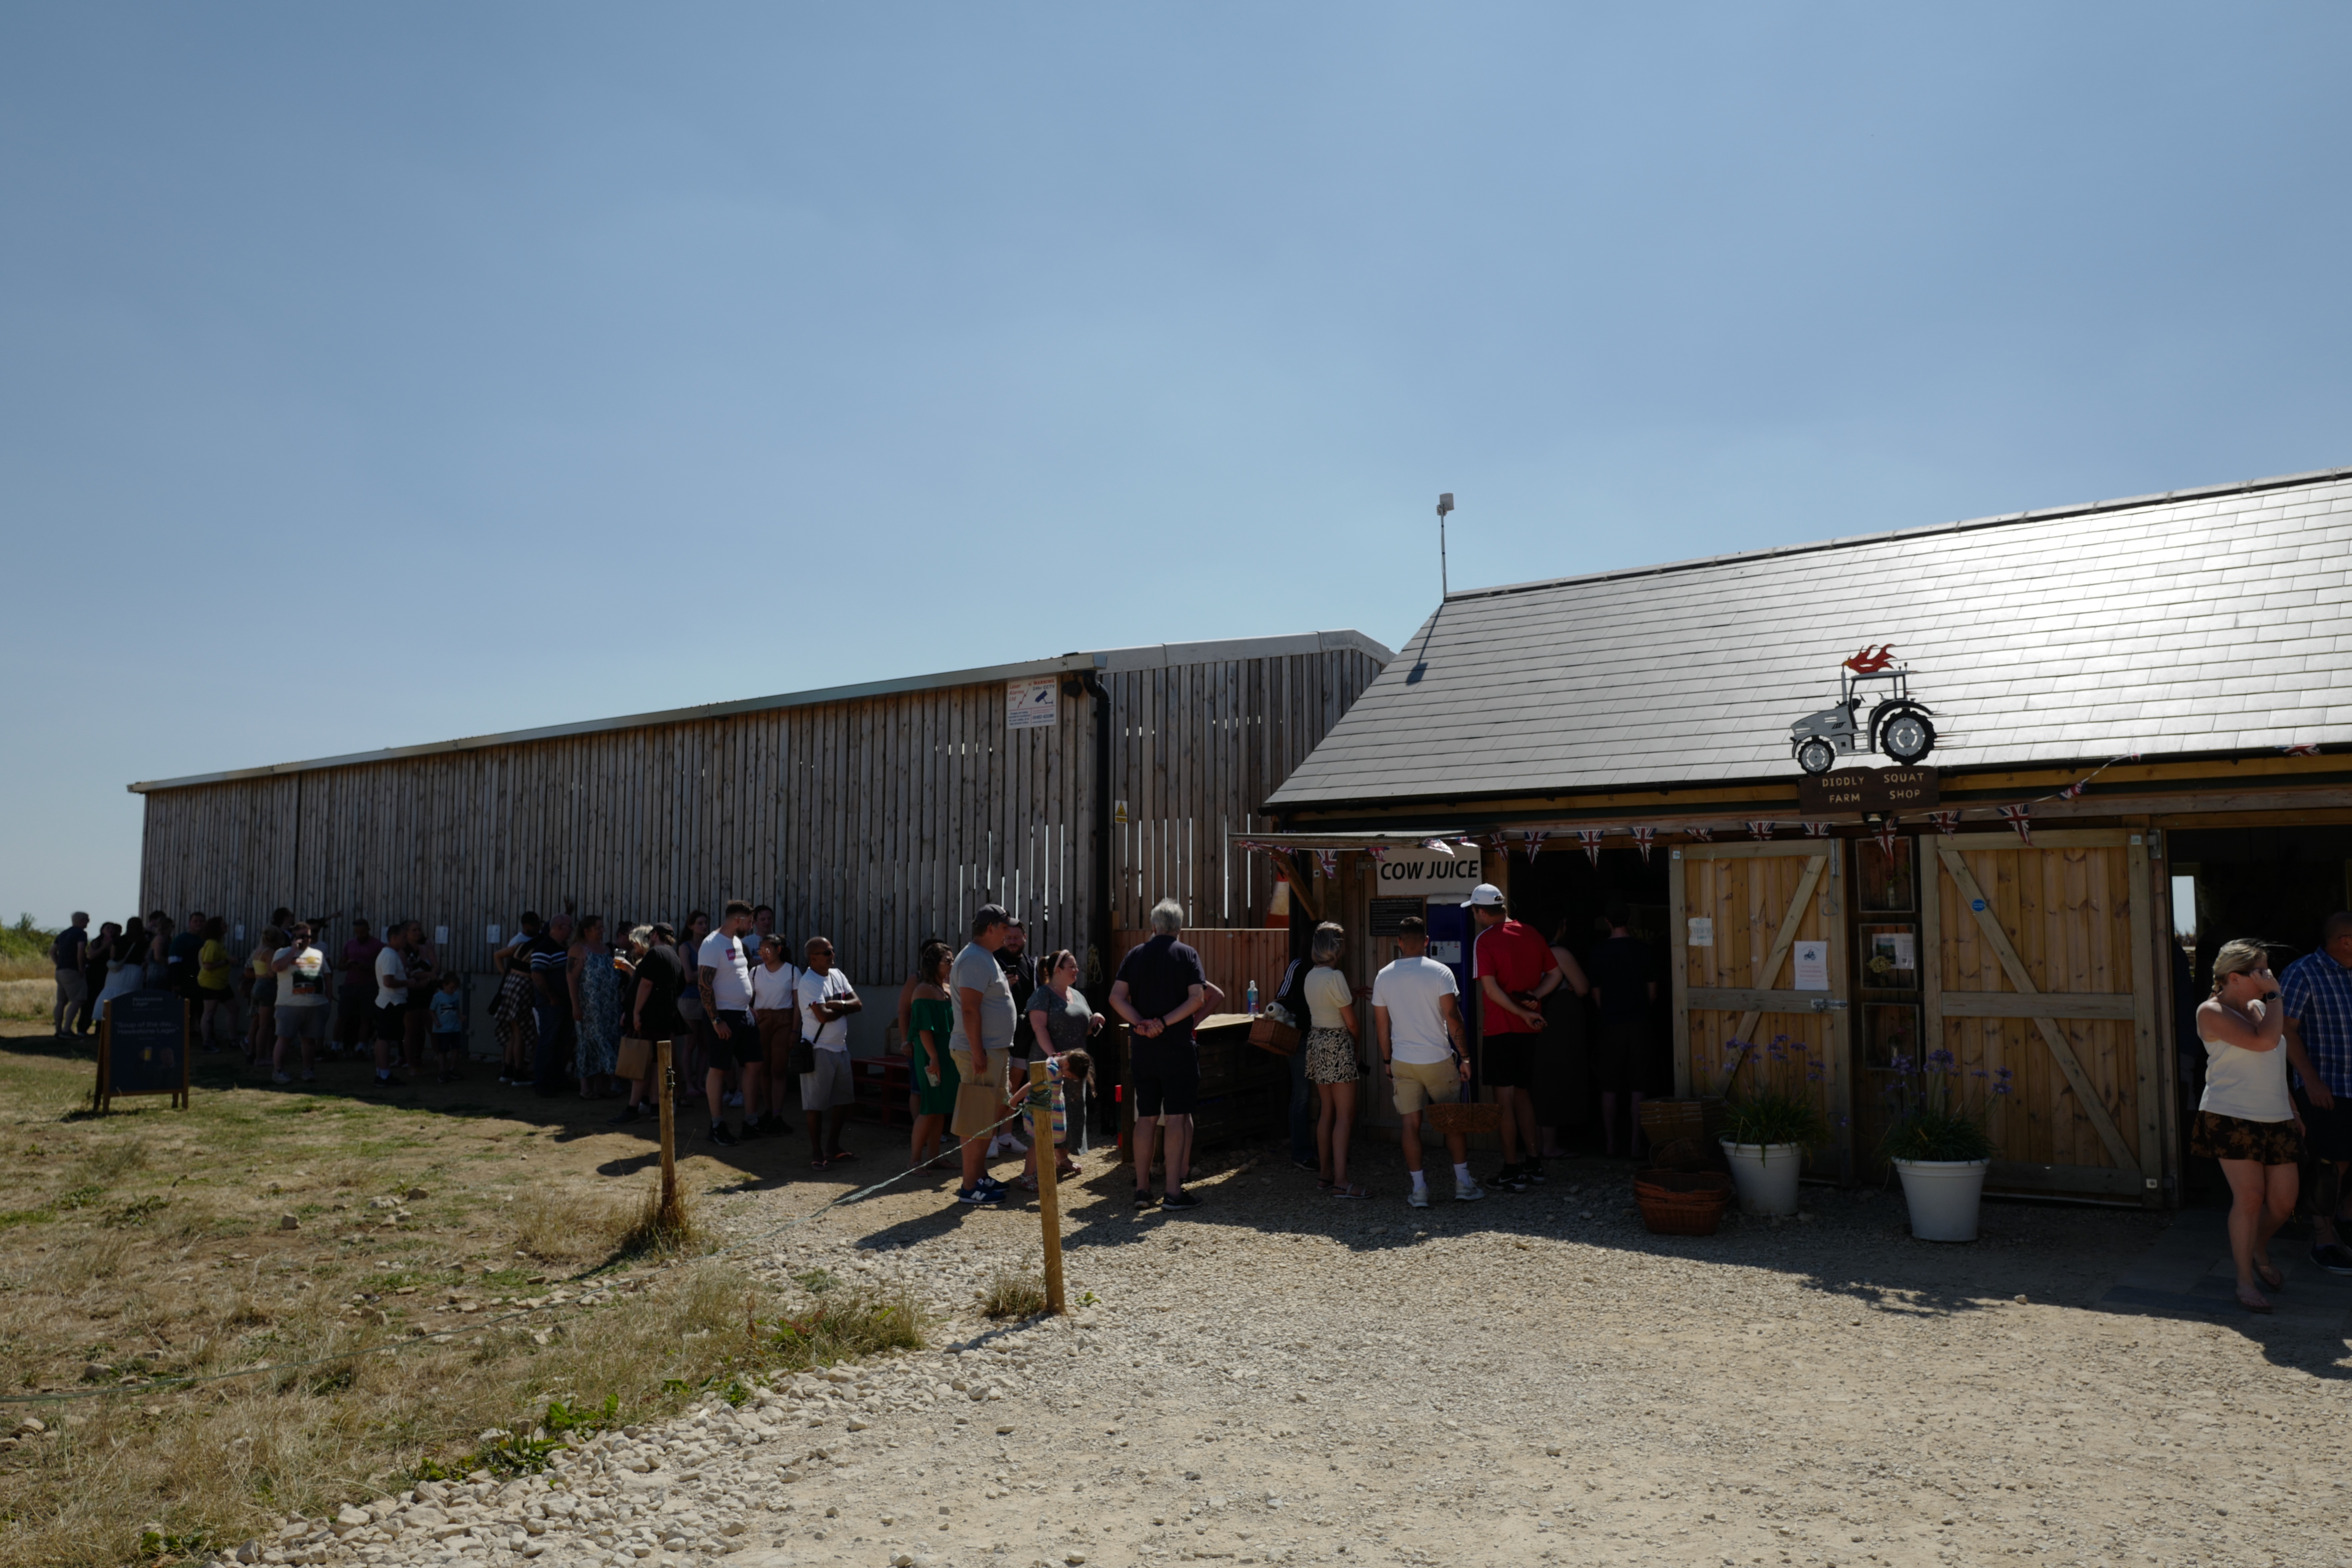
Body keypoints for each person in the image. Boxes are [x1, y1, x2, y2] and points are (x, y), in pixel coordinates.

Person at [2194, 938, 2305, 1314]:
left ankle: (2257, 1246)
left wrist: (2292, 1106)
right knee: (2251, 1197)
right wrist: (2276, 997)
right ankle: (2245, 1280)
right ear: (2235, 977)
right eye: (2261, 971)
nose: (2269, 976)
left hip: (2276, 1116)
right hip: (2231, 1116)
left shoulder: (2261, 1006)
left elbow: (2275, 1060)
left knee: (2285, 1201)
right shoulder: (2211, 1012)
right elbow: (2265, 1043)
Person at [1373, 915, 1482, 1206]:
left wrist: (1387, 1060)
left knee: (1410, 1125)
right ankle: (1463, 1184)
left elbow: (1382, 1027)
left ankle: (1420, 1190)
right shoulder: (1440, 972)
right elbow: (1453, 1017)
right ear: (1426, 941)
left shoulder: (1384, 976)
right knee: (1451, 1123)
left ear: (1398, 943)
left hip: (1403, 1061)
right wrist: (1466, 1057)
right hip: (1437, 1059)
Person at [1111, 898, 1209, 1210]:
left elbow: (1116, 997)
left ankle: (1142, 1190)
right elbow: (1197, 999)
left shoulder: (1135, 955)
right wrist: (1164, 1023)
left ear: (1153, 926)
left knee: (1146, 1118)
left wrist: (1141, 1023)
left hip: (1143, 1048)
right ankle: (1173, 1193)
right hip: (1177, 1047)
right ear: (1180, 928)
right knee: (1178, 1118)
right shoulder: (1187, 955)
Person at [1465, 884, 1564, 1190]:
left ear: (1482, 912)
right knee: (1523, 1093)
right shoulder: (1532, 933)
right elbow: (1556, 975)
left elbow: (1491, 990)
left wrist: (1522, 1012)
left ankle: (1511, 1169)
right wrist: (1534, 999)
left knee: (1504, 1098)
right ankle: (1533, 1163)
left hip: (1501, 1028)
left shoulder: (1485, 940)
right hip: (1528, 1030)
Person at [2283, 911, 2352, 1275]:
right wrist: (2310, 1080)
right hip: (2327, 1086)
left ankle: (2345, 1218)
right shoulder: (2303, 972)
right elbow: (2286, 1029)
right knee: (2330, 1165)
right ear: (2346, 941)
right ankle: (2324, 1241)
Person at [947, 907, 1018, 1205]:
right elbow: (970, 1010)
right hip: (981, 1052)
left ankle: (978, 1176)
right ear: (991, 928)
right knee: (977, 1118)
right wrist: (978, 1052)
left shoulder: (983, 956)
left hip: (990, 1050)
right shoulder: (976, 958)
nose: (1009, 934)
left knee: (989, 1115)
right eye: (1005, 928)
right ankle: (969, 1186)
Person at [1022, 947, 1102, 1186]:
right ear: (1057, 970)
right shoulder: (1042, 994)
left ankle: (1062, 1157)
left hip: (1074, 1064)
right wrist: (1054, 1058)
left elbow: (1083, 1028)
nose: (1077, 970)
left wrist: (1095, 1020)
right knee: (1046, 1114)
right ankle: (1035, 1169)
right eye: (1072, 967)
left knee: (1072, 1111)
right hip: (1052, 1063)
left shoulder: (1078, 995)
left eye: (1077, 966)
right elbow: (1039, 1028)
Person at [1586, 904, 1659, 1161]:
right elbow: (1653, 993)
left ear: (1606, 921)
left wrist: (1609, 1012)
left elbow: (1596, 994)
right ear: (1630, 919)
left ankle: (1610, 1144)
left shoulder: (1597, 952)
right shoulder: (1644, 951)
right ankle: (1636, 1145)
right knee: (1639, 1086)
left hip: (1610, 1024)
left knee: (1609, 1087)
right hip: (1640, 1022)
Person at [1299, 922, 1367, 1198]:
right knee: (1345, 1115)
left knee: (1327, 1111)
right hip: (1337, 1042)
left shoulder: (1311, 976)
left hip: (1316, 1040)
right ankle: (1342, 1181)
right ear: (1337, 948)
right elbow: (1351, 1023)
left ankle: (1326, 1175)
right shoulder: (1335, 977)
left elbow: (1330, 1006)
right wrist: (1357, 1044)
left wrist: (1352, 996)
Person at [696, 901, 763, 1145]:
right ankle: (717, 1126)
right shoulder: (712, 944)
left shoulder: (736, 941)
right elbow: (704, 985)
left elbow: (736, 977)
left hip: (743, 1014)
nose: (752, 926)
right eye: (750, 922)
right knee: (719, 1068)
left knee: (754, 1064)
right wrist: (716, 1020)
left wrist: (747, 1007)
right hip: (722, 1016)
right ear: (738, 920)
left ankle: (751, 1122)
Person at [798, 935, 863, 1164]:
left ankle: (833, 1147)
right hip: (819, 1050)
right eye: (827, 953)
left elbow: (859, 1004)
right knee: (816, 1105)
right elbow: (822, 1016)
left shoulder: (837, 975)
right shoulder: (808, 982)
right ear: (813, 958)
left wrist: (839, 1005)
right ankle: (817, 1153)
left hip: (840, 1049)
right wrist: (845, 1007)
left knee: (843, 1102)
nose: (832, 956)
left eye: (832, 951)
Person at [617, 923, 685, 1124]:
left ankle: (632, 1109)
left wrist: (636, 1013)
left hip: (649, 1018)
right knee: (656, 1064)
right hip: (664, 1018)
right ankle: (656, 1107)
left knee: (641, 1063)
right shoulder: (673, 955)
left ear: (655, 935)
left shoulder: (655, 954)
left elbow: (646, 985)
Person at [1537, 916, 1593, 1159]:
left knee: (1539, 1078)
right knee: (1557, 1078)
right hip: (1559, 1020)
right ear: (1560, 927)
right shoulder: (1558, 952)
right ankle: (1551, 1146)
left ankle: (1537, 1143)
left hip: (1533, 1017)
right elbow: (1582, 988)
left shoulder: (1528, 949)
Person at [907, 943, 961, 1174]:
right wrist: (934, 1058)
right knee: (929, 1107)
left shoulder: (947, 988)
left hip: (948, 1056)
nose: (951, 965)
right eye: (947, 961)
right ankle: (915, 1161)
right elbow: (923, 1030)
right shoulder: (923, 990)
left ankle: (934, 1157)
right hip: (931, 1057)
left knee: (940, 1108)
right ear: (933, 964)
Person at [990, 919, 1040, 1159]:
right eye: (1008, 938)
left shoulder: (1033, 965)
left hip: (1024, 1035)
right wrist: (1002, 988)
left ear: (1025, 938)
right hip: (998, 1035)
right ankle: (988, 1137)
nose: (1012, 942)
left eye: (1016, 938)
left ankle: (1006, 1137)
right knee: (998, 1088)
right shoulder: (992, 962)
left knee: (1016, 1087)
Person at [750, 935, 801, 1139]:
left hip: (783, 1020)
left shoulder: (791, 971)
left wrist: (795, 1030)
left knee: (779, 1069)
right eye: (760, 951)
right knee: (763, 1068)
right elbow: (748, 998)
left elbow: (798, 1004)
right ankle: (769, 1111)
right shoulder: (755, 972)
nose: (763, 954)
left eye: (767, 950)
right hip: (761, 1020)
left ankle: (778, 1115)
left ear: (779, 950)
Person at [270, 922, 334, 1082]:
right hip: (289, 1004)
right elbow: (276, 968)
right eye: (302, 936)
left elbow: (327, 974)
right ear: (294, 936)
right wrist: (293, 950)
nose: (306, 939)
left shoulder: (318, 954)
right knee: (284, 1039)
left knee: (309, 1040)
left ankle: (308, 1071)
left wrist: (328, 998)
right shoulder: (282, 952)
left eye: (309, 936)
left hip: (315, 1004)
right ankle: (278, 1071)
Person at [569, 915, 622, 1098]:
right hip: (590, 1008)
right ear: (587, 930)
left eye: (603, 928)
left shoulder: (609, 949)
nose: (602, 931)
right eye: (598, 928)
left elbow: (622, 969)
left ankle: (601, 1086)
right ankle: (586, 1088)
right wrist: (576, 1006)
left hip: (610, 1007)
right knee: (590, 1043)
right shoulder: (578, 949)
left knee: (608, 1040)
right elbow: (572, 978)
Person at [528, 913, 575, 1097]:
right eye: (569, 926)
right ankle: (543, 1082)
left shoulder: (563, 948)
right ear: (559, 928)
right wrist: (551, 996)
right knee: (548, 1042)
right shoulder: (544, 948)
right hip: (551, 1005)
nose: (572, 930)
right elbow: (537, 975)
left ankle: (558, 1078)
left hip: (564, 1003)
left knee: (562, 1043)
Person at [492, 913, 543, 1085]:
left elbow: (497, 955)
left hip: (511, 985)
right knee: (519, 1030)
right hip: (522, 986)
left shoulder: (520, 946)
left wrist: (505, 976)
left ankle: (508, 1069)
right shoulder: (533, 947)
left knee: (514, 1030)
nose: (538, 928)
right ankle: (519, 1072)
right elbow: (498, 955)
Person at [673, 910, 712, 1107]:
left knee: (705, 1044)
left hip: (707, 1000)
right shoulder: (685, 947)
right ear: (691, 926)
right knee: (690, 1044)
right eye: (700, 923)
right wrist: (710, 974)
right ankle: (688, 1084)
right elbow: (688, 977)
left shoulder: (709, 946)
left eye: (706, 923)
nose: (704, 927)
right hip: (690, 1000)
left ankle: (700, 1083)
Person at [369, 920, 412, 1088]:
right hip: (391, 1002)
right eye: (403, 937)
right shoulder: (389, 955)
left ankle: (382, 1073)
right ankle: (384, 1074)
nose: (405, 941)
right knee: (385, 1039)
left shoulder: (391, 954)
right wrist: (409, 983)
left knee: (384, 1038)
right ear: (394, 938)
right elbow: (389, 982)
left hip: (390, 1001)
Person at [337, 918, 383, 1059]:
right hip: (350, 984)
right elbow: (341, 964)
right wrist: (347, 966)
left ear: (368, 930)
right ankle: (335, 1047)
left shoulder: (378, 945)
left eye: (362, 932)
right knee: (343, 1017)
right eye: (357, 933)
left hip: (368, 985)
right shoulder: (350, 944)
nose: (360, 935)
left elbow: (381, 967)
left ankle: (361, 1047)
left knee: (366, 1018)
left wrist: (366, 968)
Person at [243, 924, 283, 1066]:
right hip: (267, 987)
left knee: (261, 1024)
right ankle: (261, 1057)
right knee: (265, 1026)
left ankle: (257, 1053)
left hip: (257, 985)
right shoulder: (270, 952)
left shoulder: (258, 951)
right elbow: (272, 973)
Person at [195, 915, 236, 1051]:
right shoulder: (212, 944)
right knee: (209, 1013)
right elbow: (208, 966)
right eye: (224, 924)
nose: (227, 926)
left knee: (235, 1009)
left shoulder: (219, 944)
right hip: (211, 983)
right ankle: (207, 1043)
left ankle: (233, 1039)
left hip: (222, 983)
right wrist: (227, 962)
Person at [94, 917, 148, 1022]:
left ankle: (109, 1018)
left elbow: (113, 956)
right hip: (135, 970)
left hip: (117, 970)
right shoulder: (144, 942)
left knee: (111, 993)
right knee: (131, 996)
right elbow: (144, 958)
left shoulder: (118, 940)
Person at [50, 912, 90, 1037]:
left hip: (60, 971)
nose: (89, 922)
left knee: (61, 1001)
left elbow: (52, 952)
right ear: (82, 921)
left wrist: (59, 964)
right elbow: (81, 950)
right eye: (87, 920)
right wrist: (81, 967)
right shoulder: (81, 934)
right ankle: (67, 1029)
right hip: (73, 971)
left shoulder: (63, 934)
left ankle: (58, 1030)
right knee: (78, 999)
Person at [76, 919, 113, 1036]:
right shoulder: (96, 942)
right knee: (90, 1001)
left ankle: (100, 1030)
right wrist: (104, 947)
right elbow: (91, 956)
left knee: (105, 1002)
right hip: (94, 974)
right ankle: (83, 1028)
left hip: (108, 976)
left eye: (112, 929)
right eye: (108, 928)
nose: (110, 930)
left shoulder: (116, 943)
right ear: (102, 930)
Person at [429, 973, 466, 1082]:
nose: (454, 990)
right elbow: (431, 1010)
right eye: (452, 987)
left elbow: (456, 1008)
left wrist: (460, 1016)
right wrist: (436, 1021)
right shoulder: (438, 997)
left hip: (455, 1028)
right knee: (443, 1051)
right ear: (444, 985)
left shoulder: (456, 996)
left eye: (456, 988)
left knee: (456, 1049)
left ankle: (452, 1068)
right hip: (443, 1029)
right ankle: (442, 1071)